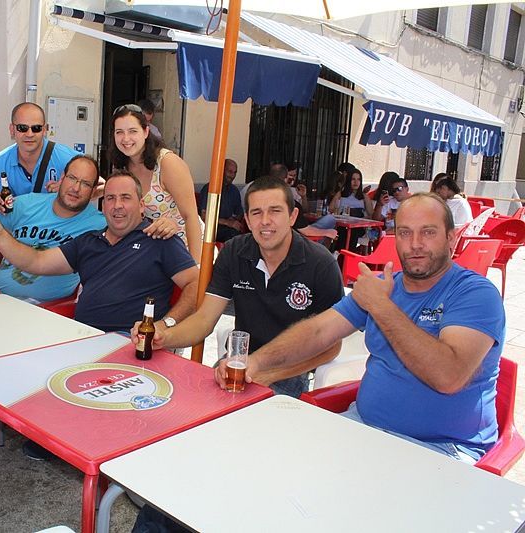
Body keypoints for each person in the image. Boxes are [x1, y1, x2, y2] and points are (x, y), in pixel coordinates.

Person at [222, 192, 504, 463]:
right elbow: (319, 331)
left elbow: (448, 376)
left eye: (428, 232)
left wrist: (381, 306)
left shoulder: (475, 294)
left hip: (440, 449)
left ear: (451, 238)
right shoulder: (382, 286)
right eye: (405, 233)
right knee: (270, 460)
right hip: (362, 426)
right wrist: (255, 362)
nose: (415, 244)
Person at [0, 170, 199, 460]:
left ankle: (69, 433)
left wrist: (165, 324)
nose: (117, 205)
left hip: (128, 342)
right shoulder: (88, 241)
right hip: (82, 337)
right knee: (19, 349)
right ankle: (55, 429)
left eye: (125, 198)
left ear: (141, 205)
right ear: (102, 205)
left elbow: (195, 284)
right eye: (110, 198)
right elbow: (37, 261)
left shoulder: (159, 239)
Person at [138, 176, 344, 398]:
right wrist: (163, 336)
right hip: (237, 363)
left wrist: (270, 374)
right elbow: (204, 319)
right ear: (247, 219)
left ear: (292, 216)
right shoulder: (234, 252)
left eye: (275, 211)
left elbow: (332, 347)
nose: (265, 221)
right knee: (189, 401)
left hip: (289, 372)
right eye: (256, 213)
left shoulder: (320, 264)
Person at [0, 155, 106, 302]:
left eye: (85, 184)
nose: (76, 188)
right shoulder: (29, 203)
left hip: (44, 308)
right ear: (62, 178)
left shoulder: (99, 225)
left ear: (93, 191)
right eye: (72, 178)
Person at [110, 104, 203, 262]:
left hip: (185, 250)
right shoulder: (121, 166)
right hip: (153, 252)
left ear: (146, 132)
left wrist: (196, 267)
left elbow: (191, 216)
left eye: (133, 131)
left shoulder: (168, 163)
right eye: (119, 132)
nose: (125, 138)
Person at [0, 102, 80, 212]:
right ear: (12, 130)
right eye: (22, 128)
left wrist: (68, 191)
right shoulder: (1, 162)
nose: (29, 134)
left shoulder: (69, 159)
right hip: (19, 222)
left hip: (60, 222)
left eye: (36, 128)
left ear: (44, 130)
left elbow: (97, 188)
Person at [269, 164, 337, 241]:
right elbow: (306, 231)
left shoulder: (262, 198)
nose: (293, 179)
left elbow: (305, 210)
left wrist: (303, 196)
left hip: (281, 235)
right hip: (294, 239)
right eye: (290, 176)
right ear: (286, 179)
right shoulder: (289, 203)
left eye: (294, 175)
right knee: (330, 220)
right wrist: (328, 232)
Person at [197, 158, 244, 243]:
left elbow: (239, 213)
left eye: (235, 172)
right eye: (230, 171)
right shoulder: (210, 188)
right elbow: (204, 217)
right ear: (222, 170)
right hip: (211, 229)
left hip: (229, 229)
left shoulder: (234, 190)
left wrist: (234, 219)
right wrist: (227, 222)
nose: (232, 175)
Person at [330, 167, 374, 251]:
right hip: (343, 223)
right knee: (343, 231)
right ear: (348, 180)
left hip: (358, 225)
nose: (356, 182)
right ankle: (341, 253)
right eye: (353, 179)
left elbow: (371, 213)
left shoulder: (363, 196)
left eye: (358, 179)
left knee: (352, 232)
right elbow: (331, 208)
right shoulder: (341, 194)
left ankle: (345, 254)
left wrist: (364, 218)